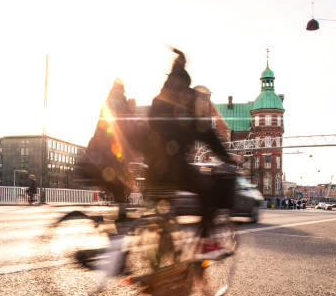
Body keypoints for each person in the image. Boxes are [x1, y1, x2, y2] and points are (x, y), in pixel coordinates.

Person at [141, 48, 239, 256]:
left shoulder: (158, 102)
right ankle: (204, 242)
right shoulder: (184, 106)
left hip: (153, 171)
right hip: (174, 169)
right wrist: (227, 156)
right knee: (209, 193)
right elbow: (207, 134)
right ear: (185, 88)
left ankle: (158, 270)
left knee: (164, 217)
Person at [78, 79, 138, 219]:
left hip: (97, 154)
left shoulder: (107, 102)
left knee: (119, 184)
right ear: (122, 90)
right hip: (108, 154)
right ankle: (120, 219)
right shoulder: (120, 103)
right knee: (122, 186)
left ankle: (116, 216)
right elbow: (128, 126)